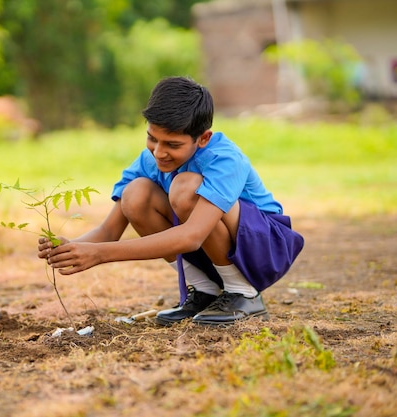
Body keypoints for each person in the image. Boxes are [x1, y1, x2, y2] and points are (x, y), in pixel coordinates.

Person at [37, 76, 304, 326]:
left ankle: (243, 294)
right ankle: (204, 291)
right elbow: (109, 231)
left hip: (264, 249)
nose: (159, 152)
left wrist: (100, 254)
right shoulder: (149, 160)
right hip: (210, 247)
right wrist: (70, 248)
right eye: (152, 138)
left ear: (203, 138)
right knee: (135, 193)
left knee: (186, 187)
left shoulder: (224, 159)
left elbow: (191, 237)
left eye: (172, 145)